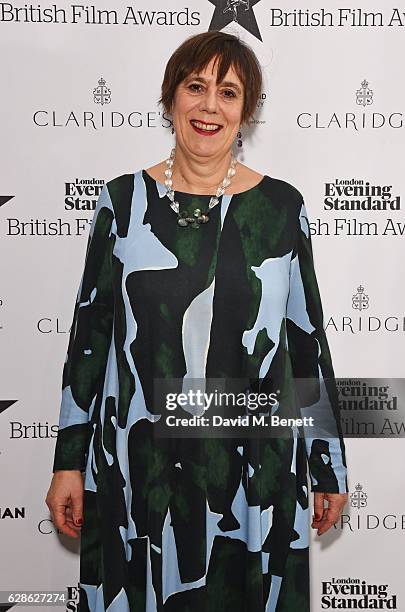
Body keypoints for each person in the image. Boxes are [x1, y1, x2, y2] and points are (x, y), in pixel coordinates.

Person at [46, 30, 348, 612]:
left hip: (253, 469)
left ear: (246, 112)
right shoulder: (121, 202)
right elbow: (89, 340)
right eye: (196, 86)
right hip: (139, 468)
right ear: (170, 99)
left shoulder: (282, 208)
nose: (210, 105)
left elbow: (307, 344)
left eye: (228, 92)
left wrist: (327, 463)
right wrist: (67, 462)